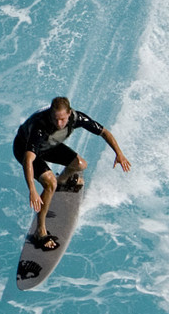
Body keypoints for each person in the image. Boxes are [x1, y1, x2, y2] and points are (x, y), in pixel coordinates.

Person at [13, 95, 131, 250]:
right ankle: (40, 232)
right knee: (49, 182)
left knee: (80, 164)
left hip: (48, 146)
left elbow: (104, 132)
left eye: (62, 119)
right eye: (55, 119)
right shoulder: (39, 128)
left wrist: (119, 153)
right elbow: (28, 160)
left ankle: (61, 181)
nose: (59, 123)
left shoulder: (77, 118)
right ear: (50, 115)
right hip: (24, 150)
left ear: (69, 114)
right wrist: (32, 190)